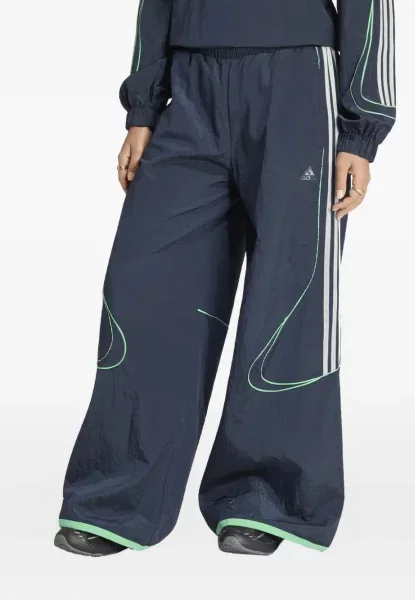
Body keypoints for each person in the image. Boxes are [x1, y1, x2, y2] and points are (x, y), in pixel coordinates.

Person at [55, 0, 396, 557]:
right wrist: (144, 106)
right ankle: (118, 496)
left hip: (297, 80)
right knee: (143, 290)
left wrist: (361, 129)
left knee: (289, 295)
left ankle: (264, 497)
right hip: (189, 85)